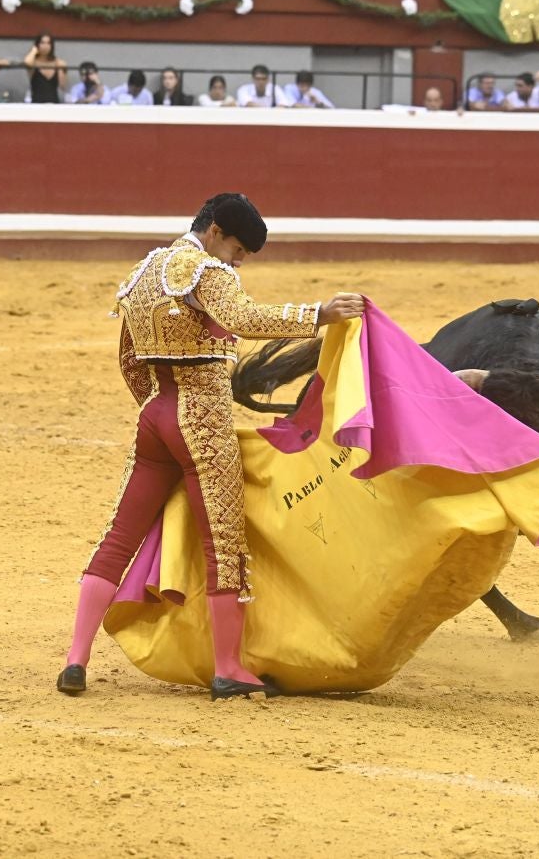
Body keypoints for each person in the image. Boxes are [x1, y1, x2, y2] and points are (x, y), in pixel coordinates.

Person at [56, 193, 365, 700]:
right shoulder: (206, 271)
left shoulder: (145, 271)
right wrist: (320, 314)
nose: (237, 260)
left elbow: (129, 356)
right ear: (217, 230)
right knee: (222, 543)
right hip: (201, 419)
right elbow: (243, 318)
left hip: (154, 415)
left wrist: (154, 410)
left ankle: (76, 659)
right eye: (238, 248)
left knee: (118, 537)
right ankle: (228, 668)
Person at [23, 32, 66, 104]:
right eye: (42, 43)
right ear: (38, 45)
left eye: (48, 43)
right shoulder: (33, 63)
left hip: (54, 104)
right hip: (36, 104)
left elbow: (63, 86)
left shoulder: (58, 63)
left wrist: (62, 69)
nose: (45, 46)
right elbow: (27, 62)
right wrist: (33, 51)